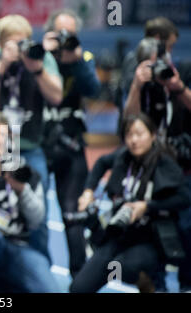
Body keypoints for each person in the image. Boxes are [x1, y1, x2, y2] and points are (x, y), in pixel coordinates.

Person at [70, 113, 190, 293]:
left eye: (139, 134)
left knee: (124, 267)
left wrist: (147, 207)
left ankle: (153, 282)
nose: (134, 140)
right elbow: (101, 162)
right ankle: (137, 278)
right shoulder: (123, 157)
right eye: (129, 135)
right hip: (119, 234)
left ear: (152, 135)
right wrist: (88, 192)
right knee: (79, 288)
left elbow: (185, 197)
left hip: (150, 239)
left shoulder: (164, 163)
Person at [0, 111, 61, 293]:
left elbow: (36, 220)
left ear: (10, 138)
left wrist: (22, 189)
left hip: (17, 245)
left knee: (50, 289)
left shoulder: (25, 171)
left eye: (2, 135)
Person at [124, 36, 191, 292]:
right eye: (148, 65)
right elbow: (129, 120)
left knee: (187, 227)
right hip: (148, 167)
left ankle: (187, 283)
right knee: (154, 231)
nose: (155, 70)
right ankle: (157, 286)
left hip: (181, 164)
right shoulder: (138, 82)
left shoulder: (181, 73)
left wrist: (177, 86)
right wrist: (136, 85)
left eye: (158, 63)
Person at [0, 14, 63, 193]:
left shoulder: (40, 58)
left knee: (38, 187)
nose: (20, 48)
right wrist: (2, 63)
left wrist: (38, 70)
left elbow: (57, 97)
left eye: (23, 42)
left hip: (29, 143)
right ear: (1, 43)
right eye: (14, 43)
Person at [41, 8, 101, 277]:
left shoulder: (83, 56)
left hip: (71, 142)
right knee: (35, 209)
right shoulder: (37, 55)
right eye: (60, 33)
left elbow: (94, 90)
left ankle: (80, 276)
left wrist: (75, 60)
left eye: (71, 34)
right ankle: (38, 270)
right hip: (40, 142)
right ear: (49, 32)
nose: (66, 39)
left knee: (73, 211)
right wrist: (44, 53)